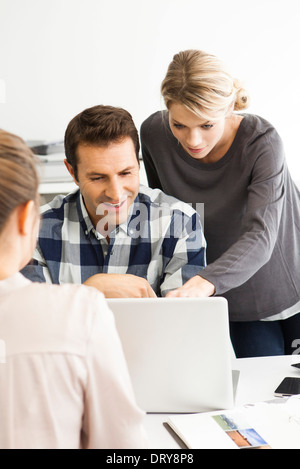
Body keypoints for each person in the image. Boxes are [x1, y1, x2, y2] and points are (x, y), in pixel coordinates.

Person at [140, 49, 300, 358]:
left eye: (206, 125)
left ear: (228, 108)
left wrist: (201, 284)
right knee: (260, 394)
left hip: (287, 276)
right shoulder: (154, 135)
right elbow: (169, 214)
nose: (193, 141)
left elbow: (261, 235)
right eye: (179, 125)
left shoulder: (262, 141)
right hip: (231, 291)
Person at [0, 129, 148, 449]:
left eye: (125, 172)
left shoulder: (177, 218)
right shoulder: (79, 311)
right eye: (97, 176)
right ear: (27, 217)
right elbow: (122, 447)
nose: (115, 190)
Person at [22, 105, 206, 298]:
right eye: (98, 178)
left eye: (126, 173)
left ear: (138, 162)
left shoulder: (181, 223)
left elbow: (183, 323)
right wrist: (88, 292)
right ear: (72, 172)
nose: (116, 194)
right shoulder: (35, 229)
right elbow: (29, 320)